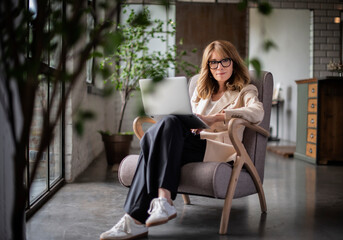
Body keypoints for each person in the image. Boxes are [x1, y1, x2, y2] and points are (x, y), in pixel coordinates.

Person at [100, 40, 264, 240]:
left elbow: (257, 112)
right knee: (167, 124)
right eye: (213, 63)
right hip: (190, 141)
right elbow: (187, 117)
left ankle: (137, 217)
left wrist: (218, 117)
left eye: (224, 61)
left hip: (217, 147)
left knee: (152, 140)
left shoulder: (246, 90)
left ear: (234, 62)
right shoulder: (201, 92)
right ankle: (153, 208)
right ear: (208, 66)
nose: (219, 67)